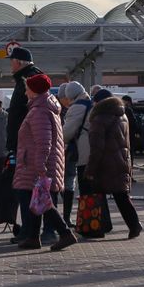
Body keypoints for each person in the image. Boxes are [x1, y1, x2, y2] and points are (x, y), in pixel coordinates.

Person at [12, 73, 76, 251]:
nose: (25, 92)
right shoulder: (46, 107)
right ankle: (33, 237)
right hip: (37, 162)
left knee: (42, 201)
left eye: (27, 89)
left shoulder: (39, 111)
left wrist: (40, 167)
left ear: (34, 90)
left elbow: (43, 142)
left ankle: (65, 233)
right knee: (36, 200)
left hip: (36, 164)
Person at [85, 88, 142, 239]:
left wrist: (90, 169)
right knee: (121, 196)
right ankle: (134, 224)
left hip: (105, 164)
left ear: (97, 103)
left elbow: (96, 148)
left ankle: (102, 227)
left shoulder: (99, 119)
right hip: (121, 160)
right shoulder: (122, 115)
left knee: (99, 195)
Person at [60, 81, 92, 231]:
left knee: (83, 188)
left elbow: (66, 134)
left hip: (80, 152)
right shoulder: (90, 104)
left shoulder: (77, 107)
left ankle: (86, 223)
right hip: (90, 152)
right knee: (89, 189)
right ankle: (93, 222)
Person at [6, 47, 43, 155]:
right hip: (24, 140)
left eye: (12, 61)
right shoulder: (27, 77)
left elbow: (35, 110)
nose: (11, 65)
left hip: (26, 143)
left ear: (18, 62)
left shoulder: (29, 78)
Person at [122, 95, 142, 177]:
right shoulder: (129, 110)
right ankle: (129, 175)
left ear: (127, 101)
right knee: (129, 156)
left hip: (123, 136)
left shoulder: (125, 110)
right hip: (129, 137)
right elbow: (134, 124)